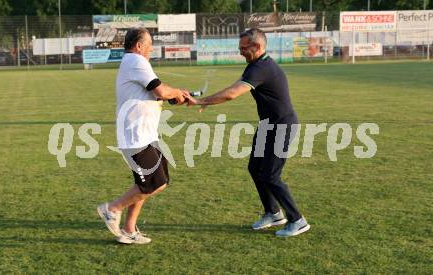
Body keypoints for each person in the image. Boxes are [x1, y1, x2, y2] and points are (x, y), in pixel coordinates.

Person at [189, 28, 310, 237]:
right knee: (255, 168)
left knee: (271, 175)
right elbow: (233, 88)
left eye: (244, 48)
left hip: (282, 126)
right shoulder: (254, 65)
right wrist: (209, 101)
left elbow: (233, 93)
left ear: (258, 46)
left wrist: (202, 101)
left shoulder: (262, 68)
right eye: (240, 48)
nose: (241, 52)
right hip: (267, 126)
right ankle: (273, 213)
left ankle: (297, 220)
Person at [97, 27, 194, 244]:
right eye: (149, 44)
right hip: (136, 136)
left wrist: (174, 96)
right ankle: (112, 208)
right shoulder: (136, 61)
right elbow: (160, 90)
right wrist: (176, 93)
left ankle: (129, 229)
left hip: (145, 135)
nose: (152, 48)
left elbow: (153, 92)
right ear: (139, 45)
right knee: (155, 183)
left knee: (150, 183)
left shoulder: (134, 62)